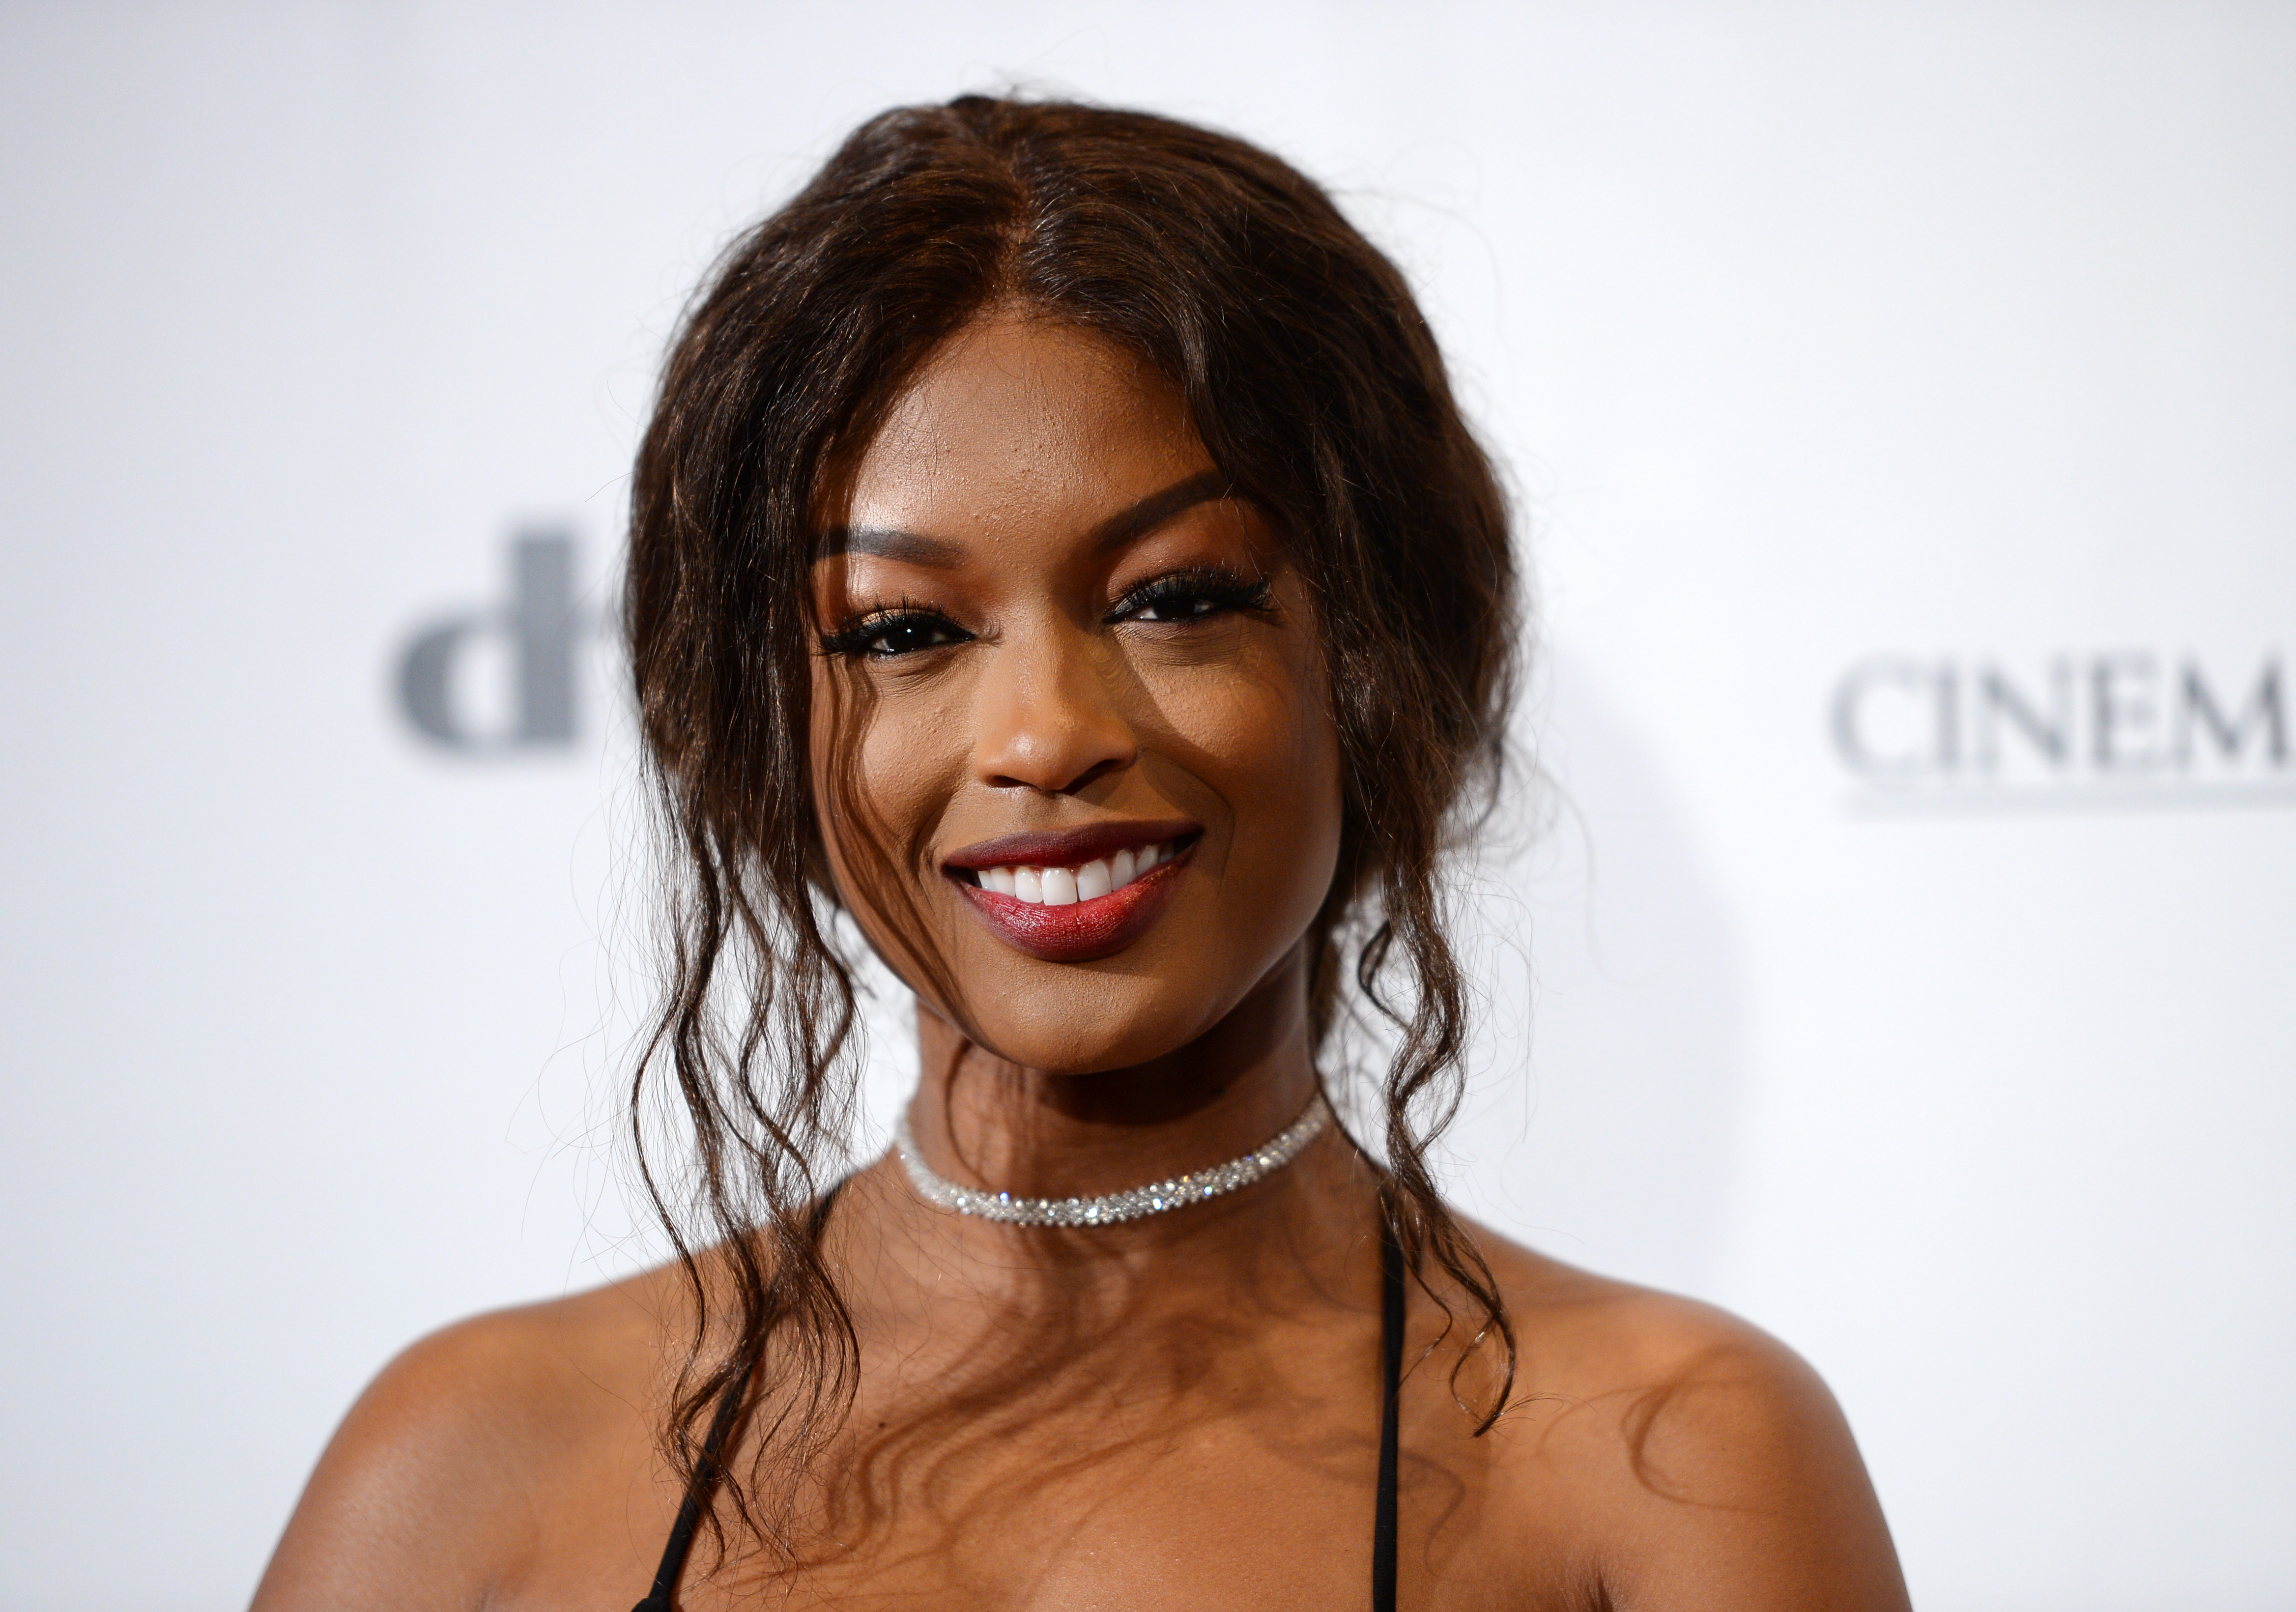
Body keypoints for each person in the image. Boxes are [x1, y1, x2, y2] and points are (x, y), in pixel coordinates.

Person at [253, 96, 1909, 1611]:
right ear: (754, 724)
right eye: (901, 629)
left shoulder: (1670, 1463)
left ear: (1385, 653)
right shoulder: (471, 1473)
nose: (1043, 733)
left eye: (1175, 599)